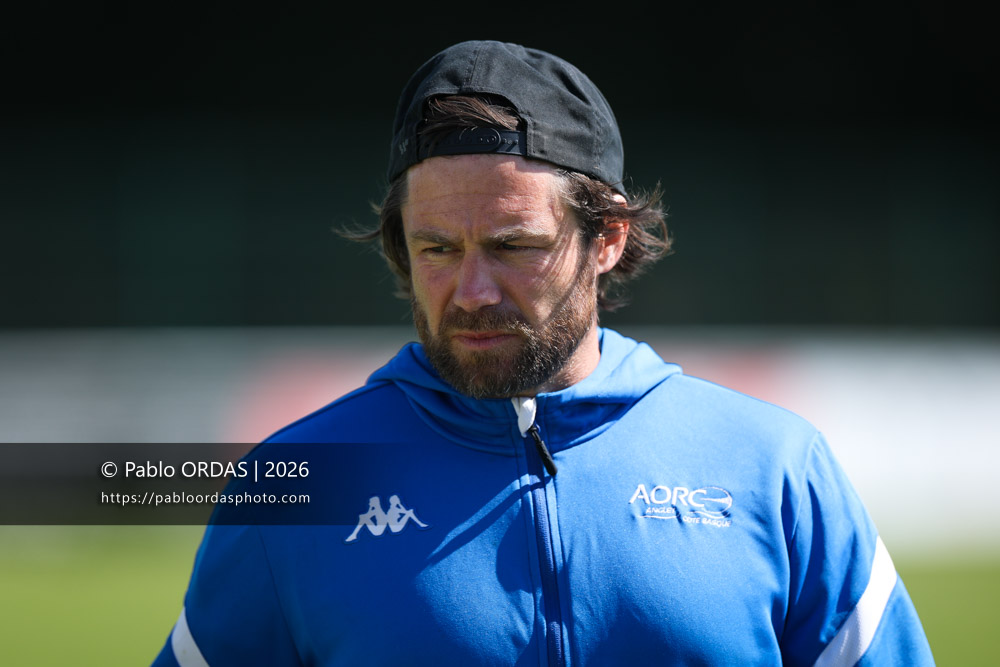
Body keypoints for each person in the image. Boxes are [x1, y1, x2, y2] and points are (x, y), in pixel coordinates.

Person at [152, 40, 934, 666]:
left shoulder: (774, 466)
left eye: (512, 245)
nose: (472, 290)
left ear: (609, 238)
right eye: (436, 248)